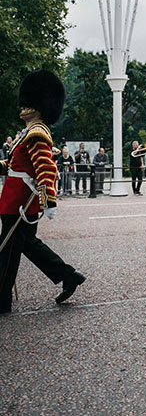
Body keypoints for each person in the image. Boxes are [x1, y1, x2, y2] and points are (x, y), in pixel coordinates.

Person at [0, 70, 85, 313]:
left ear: (38, 106)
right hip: (16, 198)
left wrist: (49, 200)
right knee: (26, 245)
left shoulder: (37, 133)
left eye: (27, 103)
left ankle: (1, 298)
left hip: (21, 201)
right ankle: (68, 276)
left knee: (8, 249)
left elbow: (45, 168)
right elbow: (16, 165)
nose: (22, 107)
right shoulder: (27, 132)